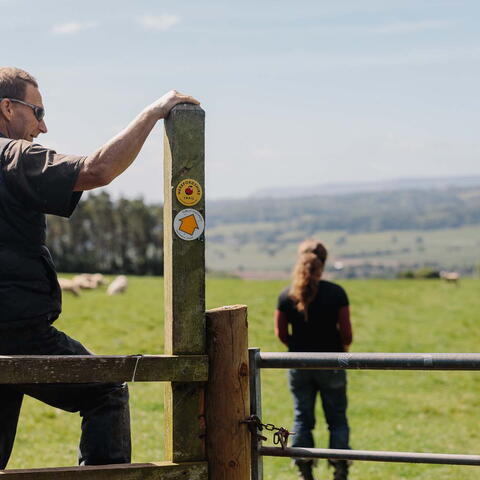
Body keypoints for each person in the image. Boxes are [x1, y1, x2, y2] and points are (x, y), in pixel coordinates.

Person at [0, 66, 199, 469]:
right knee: (105, 389)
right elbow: (96, 170)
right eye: (37, 112)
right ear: (7, 107)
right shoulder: (13, 156)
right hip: (16, 332)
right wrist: (154, 111)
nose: (43, 125)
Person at [275, 239, 353, 480]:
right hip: (331, 363)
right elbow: (347, 334)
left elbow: (281, 334)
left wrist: (298, 348)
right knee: (337, 418)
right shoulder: (337, 293)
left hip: (298, 364)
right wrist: (340, 350)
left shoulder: (287, 296)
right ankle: (340, 468)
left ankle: (304, 468)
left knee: (302, 416)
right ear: (324, 263)